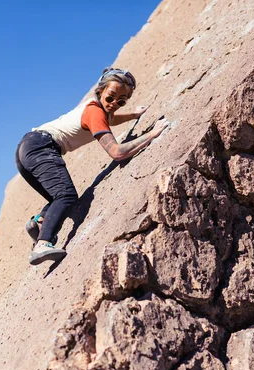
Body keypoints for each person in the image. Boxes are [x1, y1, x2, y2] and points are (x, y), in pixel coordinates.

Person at [15, 67, 170, 265]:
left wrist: (133, 115)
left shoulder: (96, 109)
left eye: (121, 101)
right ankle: (42, 244)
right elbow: (117, 152)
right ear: (100, 91)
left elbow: (110, 119)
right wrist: (152, 134)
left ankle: (39, 222)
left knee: (58, 198)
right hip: (41, 146)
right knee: (66, 195)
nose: (114, 104)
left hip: (27, 149)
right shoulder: (95, 113)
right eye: (110, 97)